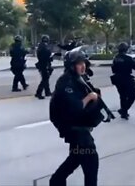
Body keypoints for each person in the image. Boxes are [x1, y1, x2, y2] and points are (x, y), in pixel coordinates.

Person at [49, 50, 104, 186]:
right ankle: (56, 181)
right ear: (71, 65)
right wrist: (90, 97)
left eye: (84, 63)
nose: (83, 66)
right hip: (74, 129)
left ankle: (56, 181)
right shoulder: (66, 82)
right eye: (79, 63)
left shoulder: (78, 79)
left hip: (78, 128)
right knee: (91, 162)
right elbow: (75, 107)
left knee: (76, 157)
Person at [111, 42, 135, 120]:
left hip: (117, 79)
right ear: (126, 50)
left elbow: (113, 69)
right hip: (127, 79)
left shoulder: (115, 58)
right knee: (132, 95)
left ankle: (124, 113)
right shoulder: (128, 58)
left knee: (122, 96)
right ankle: (124, 110)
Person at [35, 34, 53, 99]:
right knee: (45, 79)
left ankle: (47, 92)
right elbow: (47, 54)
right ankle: (38, 93)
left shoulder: (41, 46)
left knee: (46, 78)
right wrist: (50, 56)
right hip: (44, 64)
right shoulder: (44, 46)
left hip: (43, 64)